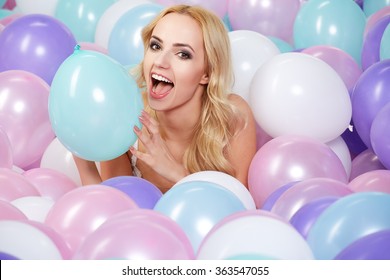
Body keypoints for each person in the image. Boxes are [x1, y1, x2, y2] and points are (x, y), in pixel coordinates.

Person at [74, 4, 257, 193]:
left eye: (182, 54)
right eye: (156, 46)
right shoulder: (127, 117)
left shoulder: (234, 117)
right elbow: (114, 205)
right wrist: (82, 159)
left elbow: (237, 207)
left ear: (207, 73)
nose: (160, 62)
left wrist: (175, 172)